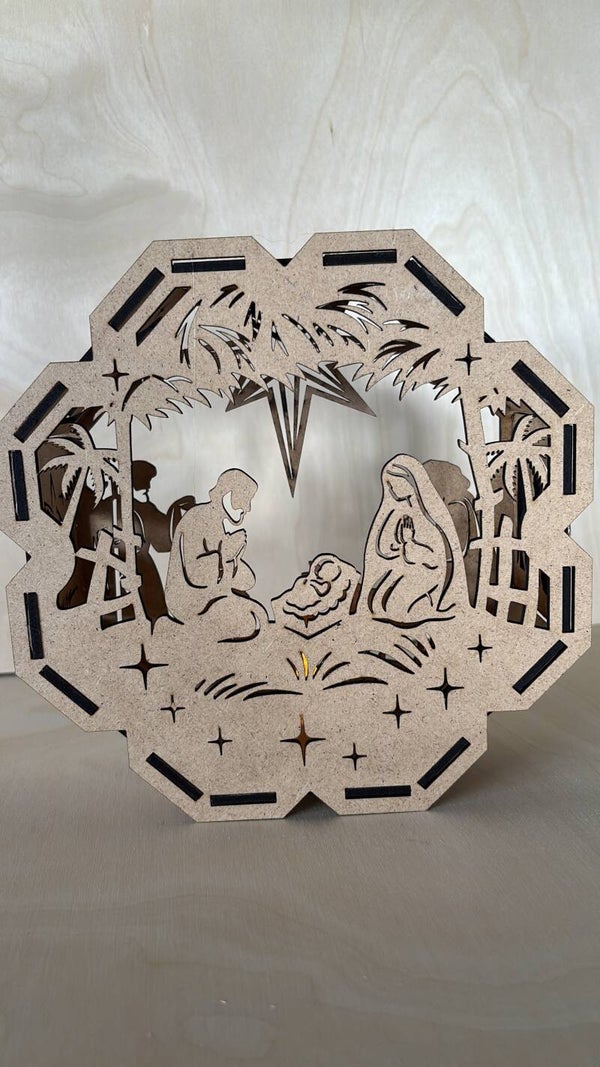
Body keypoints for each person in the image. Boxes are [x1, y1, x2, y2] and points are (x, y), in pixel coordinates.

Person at [164, 469, 266, 638]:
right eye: (244, 500)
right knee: (250, 621)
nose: (247, 508)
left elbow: (244, 579)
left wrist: (235, 557)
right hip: (190, 602)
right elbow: (195, 574)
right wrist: (226, 552)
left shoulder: (216, 524)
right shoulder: (197, 518)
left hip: (213, 596)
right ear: (227, 494)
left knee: (255, 616)